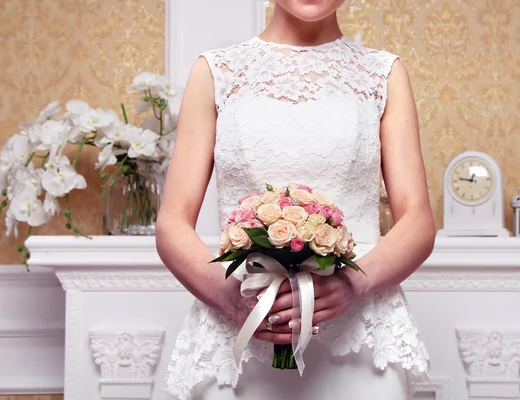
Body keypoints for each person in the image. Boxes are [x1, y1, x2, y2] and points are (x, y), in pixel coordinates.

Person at [155, 0, 436, 399]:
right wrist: (229, 298)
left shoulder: (383, 73)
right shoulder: (216, 71)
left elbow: (418, 222)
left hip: (358, 333)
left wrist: (355, 284)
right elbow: (171, 223)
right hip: (243, 327)